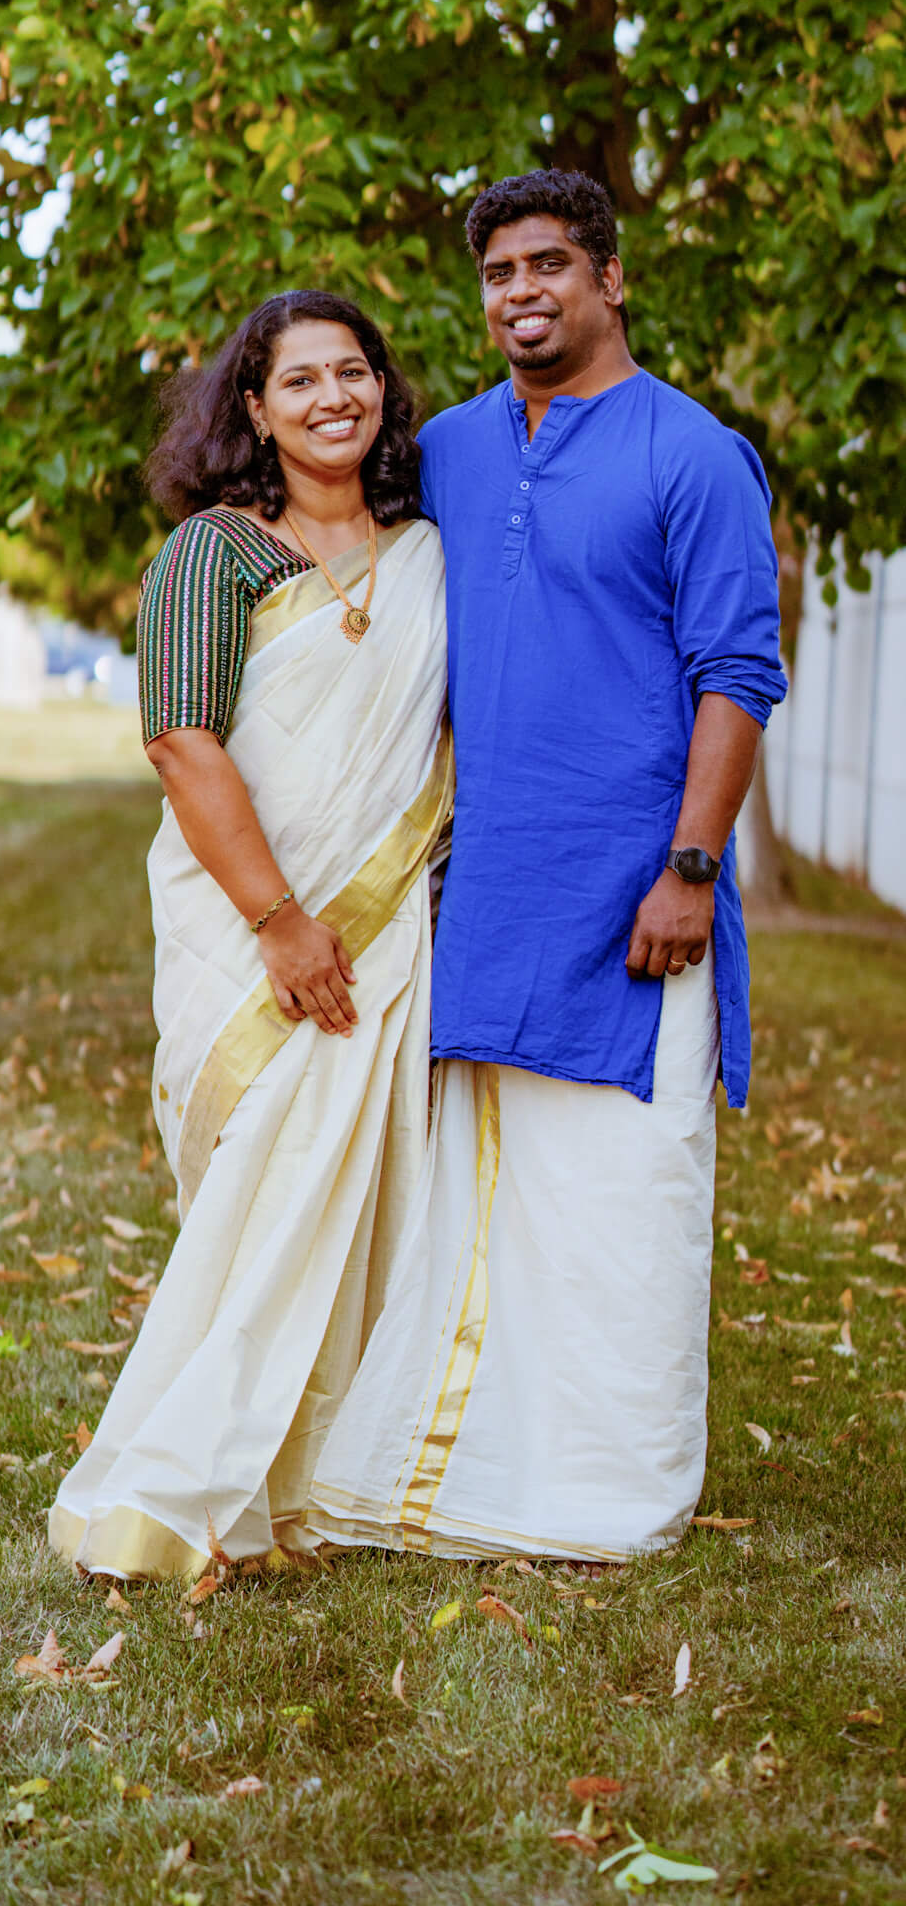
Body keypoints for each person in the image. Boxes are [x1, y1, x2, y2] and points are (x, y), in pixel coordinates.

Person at [307, 170, 787, 1561]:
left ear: (609, 279)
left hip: (638, 893)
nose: (520, 293)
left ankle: (613, 1494)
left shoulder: (692, 454)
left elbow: (735, 676)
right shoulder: (451, 448)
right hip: (488, 890)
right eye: (498, 274)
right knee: (488, 1192)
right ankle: (476, 1465)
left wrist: (689, 867)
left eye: (548, 266)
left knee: (625, 1194)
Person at [49, 291, 454, 1579]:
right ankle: (184, 1486)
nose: (336, 397)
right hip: (252, 937)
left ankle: (325, 1483)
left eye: (357, 373)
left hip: (390, 934)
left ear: (383, 392)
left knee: (362, 1194)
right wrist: (283, 926)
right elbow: (180, 738)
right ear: (254, 409)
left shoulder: (427, 554)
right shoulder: (215, 554)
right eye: (302, 381)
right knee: (259, 1199)